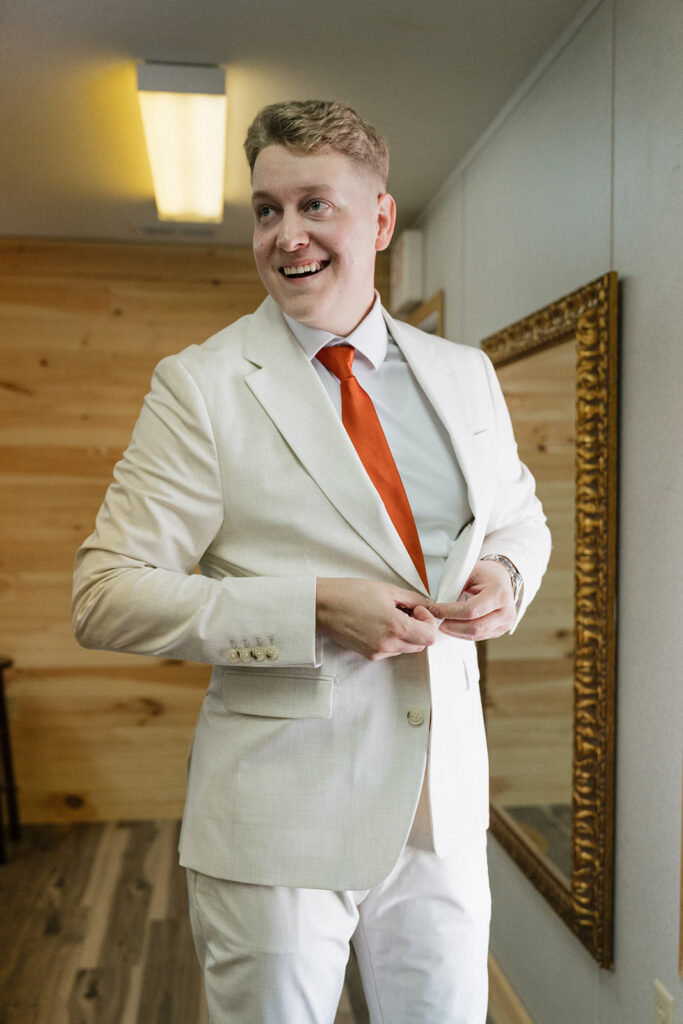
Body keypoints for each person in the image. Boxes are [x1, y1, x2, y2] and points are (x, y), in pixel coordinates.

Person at [72, 99, 551, 1024]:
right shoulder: (201, 387)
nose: (284, 235)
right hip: (278, 822)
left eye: (312, 206)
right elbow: (104, 596)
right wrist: (314, 608)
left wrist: (508, 578)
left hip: (440, 817)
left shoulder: (463, 375)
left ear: (378, 218)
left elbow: (518, 521)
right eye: (265, 210)